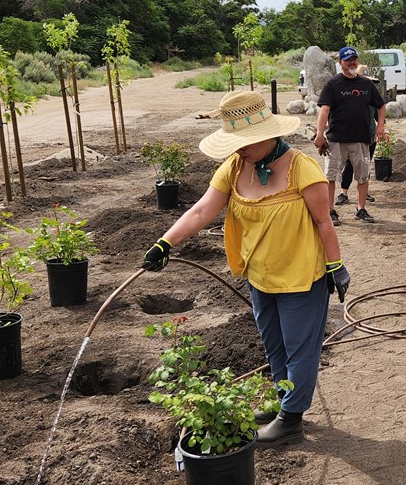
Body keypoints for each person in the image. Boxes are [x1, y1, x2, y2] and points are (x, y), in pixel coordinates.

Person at [141, 90, 347, 447]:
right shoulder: (236, 167)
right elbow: (201, 211)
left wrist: (336, 266)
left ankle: (292, 418)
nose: (240, 149)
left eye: (246, 142)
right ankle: (283, 400)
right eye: (235, 143)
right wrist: (165, 243)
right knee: (274, 345)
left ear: (268, 135)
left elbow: (323, 221)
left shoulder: (303, 168)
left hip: (301, 277)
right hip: (259, 276)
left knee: (300, 348)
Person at [315, 46, 385, 224]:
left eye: (354, 59)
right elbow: (324, 111)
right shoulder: (333, 84)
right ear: (341, 63)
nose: (351, 62)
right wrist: (319, 134)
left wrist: (380, 126)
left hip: (361, 139)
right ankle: (331, 211)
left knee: (363, 175)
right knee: (330, 176)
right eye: (347, 60)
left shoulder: (366, 84)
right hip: (336, 139)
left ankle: (361, 209)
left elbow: (380, 105)